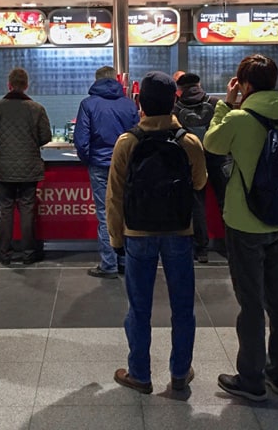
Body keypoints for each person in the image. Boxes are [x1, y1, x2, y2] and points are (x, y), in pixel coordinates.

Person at [203, 54, 278, 401]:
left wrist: (225, 106)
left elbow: (211, 144)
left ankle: (251, 379)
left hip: (246, 223)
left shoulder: (241, 118)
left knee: (251, 302)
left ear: (244, 85)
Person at [106, 71, 207, 394]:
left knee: (139, 307)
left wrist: (115, 238)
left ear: (140, 103)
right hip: (179, 229)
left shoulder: (129, 141)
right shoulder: (188, 141)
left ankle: (140, 374)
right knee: (182, 307)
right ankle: (179, 373)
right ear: (174, 101)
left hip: (138, 232)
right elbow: (200, 181)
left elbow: (115, 195)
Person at [74, 66, 140, 279]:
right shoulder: (128, 104)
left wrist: (89, 160)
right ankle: (124, 261)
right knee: (125, 212)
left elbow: (81, 139)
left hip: (100, 166)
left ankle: (109, 263)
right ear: (116, 80)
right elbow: (138, 135)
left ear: (96, 80)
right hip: (126, 165)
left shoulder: (88, 104)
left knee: (105, 214)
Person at [0, 67, 52, 266]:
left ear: (9, 85)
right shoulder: (37, 108)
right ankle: (29, 253)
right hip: (29, 167)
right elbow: (45, 136)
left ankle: (5, 254)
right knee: (27, 210)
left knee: (5, 211)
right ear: (26, 86)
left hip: (3, 167)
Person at [174, 72, 231, 263]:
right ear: (199, 84)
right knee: (226, 203)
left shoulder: (176, 107)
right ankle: (232, 247)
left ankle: (201, 249)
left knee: (197, 205)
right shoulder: (216, 103)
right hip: (219, 158)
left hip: (192, 161)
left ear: (180, 90)